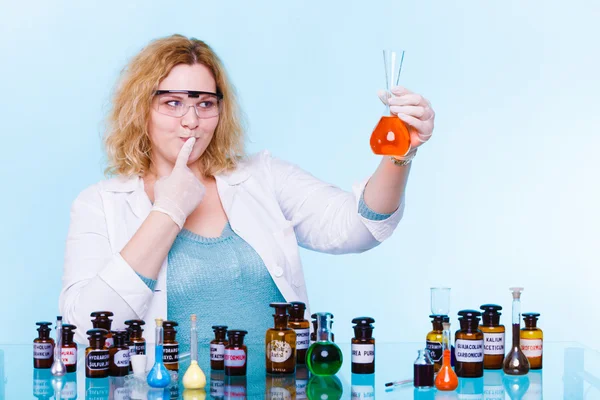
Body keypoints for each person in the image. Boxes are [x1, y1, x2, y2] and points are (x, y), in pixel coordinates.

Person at [59, 34, 435, 349]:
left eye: (205, 104)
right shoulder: (100, 204)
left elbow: (359, 227)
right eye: (173, 103)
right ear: (141, 110)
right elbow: (84, 327)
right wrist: (168, 211)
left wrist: (400, 154)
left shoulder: (262, 177)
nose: (191, 121)